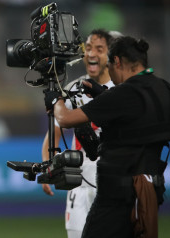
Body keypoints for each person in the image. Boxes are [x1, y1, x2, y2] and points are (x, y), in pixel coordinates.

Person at [45, 36, 170, 238]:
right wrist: (103, 95)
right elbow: (138, 117)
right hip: (150, 191)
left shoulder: (124, 93)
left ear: (117, 62)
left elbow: (65, 119)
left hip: (118, 195)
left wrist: (55, 99)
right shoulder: (166, 90)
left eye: (109, 65)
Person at [41, 29, 116, 238]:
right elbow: (55, 131)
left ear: (110, 55)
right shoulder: (74, 88)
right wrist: (48, 165)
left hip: (111, 184)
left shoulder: (121, 89)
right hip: (79, 186)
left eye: (99, 49)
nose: (91, 54)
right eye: (88, 48)